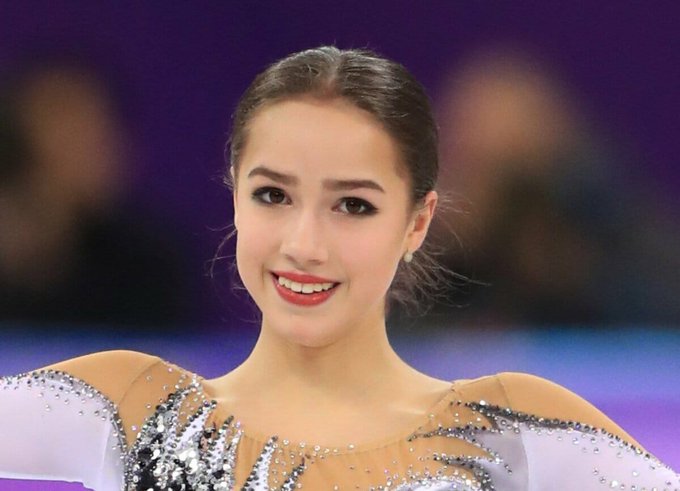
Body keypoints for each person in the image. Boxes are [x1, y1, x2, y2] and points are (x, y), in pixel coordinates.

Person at [0, 46, 677, 490]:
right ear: (234, 194)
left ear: (417, 222)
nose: (305, 244)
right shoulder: (134, 407)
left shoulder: (504, 426)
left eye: (353, 205)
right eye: (273, 195)